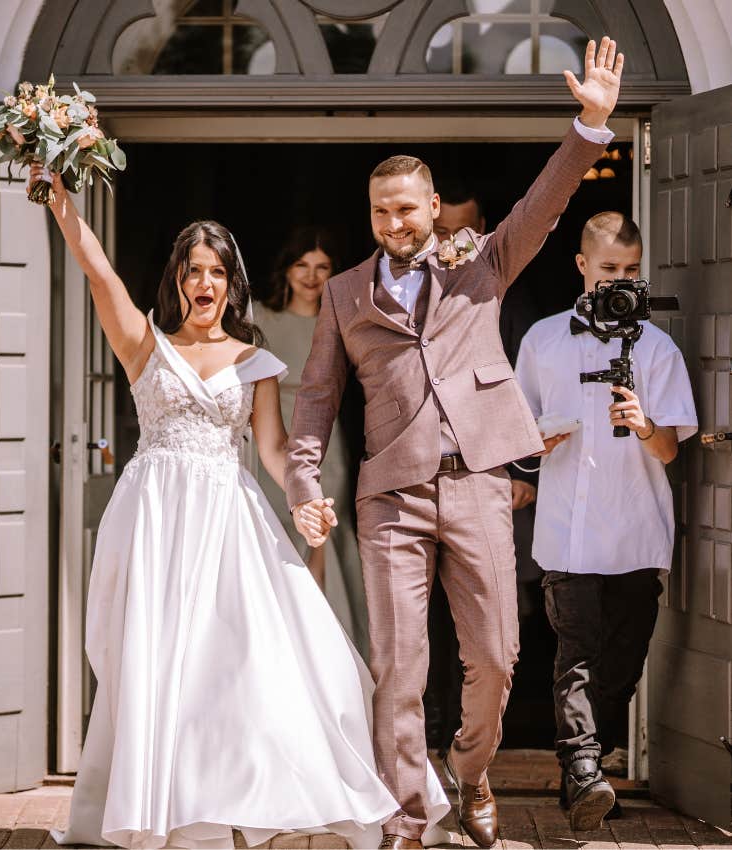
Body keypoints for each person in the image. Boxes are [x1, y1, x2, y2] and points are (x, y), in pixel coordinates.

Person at [29, 166, 451, 849]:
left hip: (228, 519)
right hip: (157, 521)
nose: (205, 283)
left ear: (232, 283)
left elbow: (278, 451)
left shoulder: (254, 361)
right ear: (178, 280)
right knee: (161, 661)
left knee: (245, 659)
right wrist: (58, 198)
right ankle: (166, 807)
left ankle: (241, 796)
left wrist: (307, 498)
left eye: (217, 271)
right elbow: (97, 269)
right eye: (194, 270)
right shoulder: (144, 345)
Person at [285, 38, 625, 850]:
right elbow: (317, 398)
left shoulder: (483, 264)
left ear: (434, 208)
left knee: (499, 658)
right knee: (399, 670)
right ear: (371, 218)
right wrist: (304, 484)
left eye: (407, 207)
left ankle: (469, 772)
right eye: (381, 211)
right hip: (392, 499)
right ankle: (406, 817)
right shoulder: (343, 294)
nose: (395, 222)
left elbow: (546, 202)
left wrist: (591, 125)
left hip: (478, 483)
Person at [514, 212, 697, 830]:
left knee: (622, 661)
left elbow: (670, 450)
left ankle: (581, 775)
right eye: (610, 269)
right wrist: (536, 446)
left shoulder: (658, 347)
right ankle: (586, 767)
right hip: (567, 530)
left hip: (638, 530)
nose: (620, 279)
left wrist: (645, 423)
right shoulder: (542, 340)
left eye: (631, 271)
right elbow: (519, 432)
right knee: (576, 656)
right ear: (582, 266)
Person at [424, 187, 542, 753]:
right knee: (431, 620)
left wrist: (524, 474)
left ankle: (489, 742)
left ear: (485, 230)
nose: (449, 243)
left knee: (497, 626)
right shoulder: (406, 293)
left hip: (497, 482)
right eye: (440, 231)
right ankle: (433, 727)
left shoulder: (510, 300)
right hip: (422, 484)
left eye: (461, 231)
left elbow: (526, 390)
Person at [253, 227, 369, 657]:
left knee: (321, 536)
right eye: (302, 265)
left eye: (322, 267)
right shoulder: (258, 319)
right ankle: (278, 644)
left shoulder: (339, 320)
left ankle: (323, 647)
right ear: (285, 269)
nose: (311, 276)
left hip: (324, 443)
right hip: (266, 438)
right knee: (271, 537)